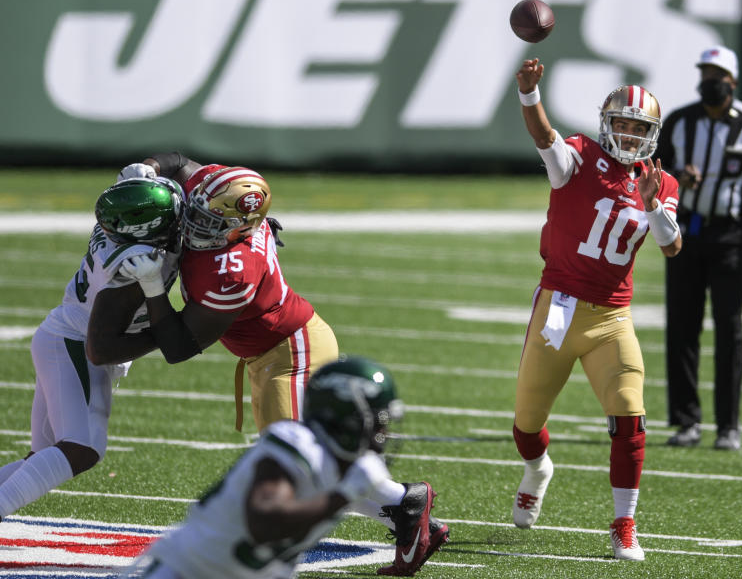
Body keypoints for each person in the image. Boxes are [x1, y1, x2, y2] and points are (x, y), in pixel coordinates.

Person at [118, 154, 447, 575]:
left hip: (290, 351)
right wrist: (148, 168)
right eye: (197, 214)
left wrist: (151, 289)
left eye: (210, 222)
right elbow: (179, 162)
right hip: (267, 354)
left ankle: (404, 502)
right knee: (302, 462)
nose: (196, 226)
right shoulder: (218, 190)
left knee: (298, 467)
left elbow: (178, 347)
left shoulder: (232, 271)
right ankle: (404, 507)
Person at [510, 58, 682, 561]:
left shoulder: (660, 182)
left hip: (611, 317)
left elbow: (672, 247)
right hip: (559, 307)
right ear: (607, 125)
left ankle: (624, 524)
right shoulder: (580, 157)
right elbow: (545, 139)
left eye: (639, 128)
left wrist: (651, 205)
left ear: (652, 134)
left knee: (630, 415)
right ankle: (538, 468)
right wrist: (529, 94)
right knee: (526, 422)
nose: (629, 135)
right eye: (623, 125)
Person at [123, 355, 427, 578]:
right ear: (348, 417)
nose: (384, 434)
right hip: (189, 571)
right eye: (380, 421)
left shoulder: (339, 463)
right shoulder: (296, 444)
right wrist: (345, 495)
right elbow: (264, 523)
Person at [0, 177, 184, 521]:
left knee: (42, 458)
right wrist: (172, 333)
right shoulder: (133, 261)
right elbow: (101, 348)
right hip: (74, 344)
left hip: (61, 335)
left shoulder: (123, 225)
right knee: (82, 449)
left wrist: (147, 170)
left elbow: (160, 176)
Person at [653, 45, 742, 451]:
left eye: (717, 75)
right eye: (705, 74)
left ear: (733, 81)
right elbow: (649, 174)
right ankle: (687, 421)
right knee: (682, 326)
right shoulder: (678, 122)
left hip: (729, 235)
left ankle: (728, 425)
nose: (709, 82)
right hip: (685, 233)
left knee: (729, 330)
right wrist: (677, 179)